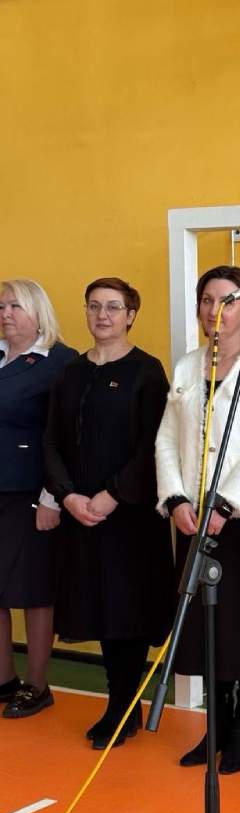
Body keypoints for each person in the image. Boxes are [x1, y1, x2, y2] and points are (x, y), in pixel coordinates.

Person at [155, 265, 240, 774]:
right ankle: (214, 727)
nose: (216, 311)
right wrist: (176, 499)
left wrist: (225, 504)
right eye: (208, 300)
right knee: (205, 632)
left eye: (228, 301)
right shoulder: (188, 366)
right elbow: (167, 439)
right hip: (192, 520)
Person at [44, 277, 174, 749]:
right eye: (94, 306)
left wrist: (113, 494)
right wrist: (67, 496)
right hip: (82, 514)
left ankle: (122, 707)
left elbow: (154, 443)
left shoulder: (146, 371)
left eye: (113, 307)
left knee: (126, 610)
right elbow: (51, 441)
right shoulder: (71, 372)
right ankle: (120, 702)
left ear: (131, 315)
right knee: (97, 607)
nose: (102, 315)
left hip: (129, 517)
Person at [0, 279, 76, 718]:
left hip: (31, 492)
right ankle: (4, 679)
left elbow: (64, 436)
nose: (6, 314)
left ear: (37, 311)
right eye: (2, 306)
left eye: (16, 306)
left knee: (33, 589)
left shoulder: (59, 361)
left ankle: (37, 684)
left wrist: (53, 496)